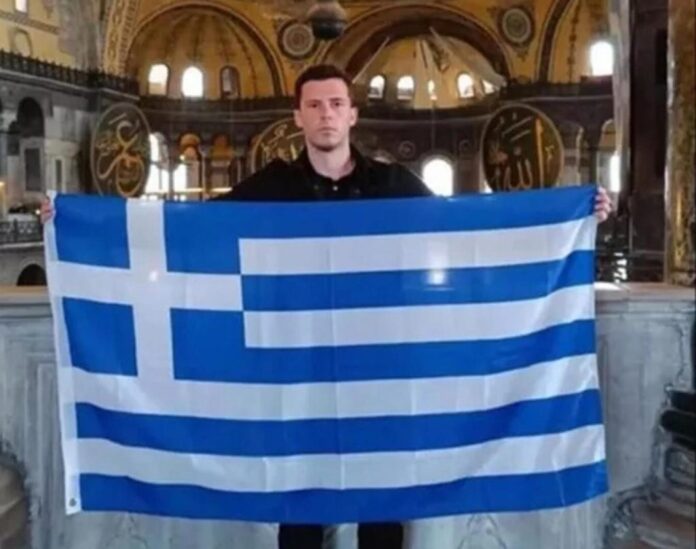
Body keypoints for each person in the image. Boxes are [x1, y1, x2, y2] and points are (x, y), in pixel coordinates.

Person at [40, 64, 613, 549]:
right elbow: (190, 232)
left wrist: (576, 214)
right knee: (300, 495)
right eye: (314, 105)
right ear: (298, 116)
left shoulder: (392, 185)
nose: (326, 115)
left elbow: (464, 233)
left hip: (380, 365)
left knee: (384, 493)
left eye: (336, 104)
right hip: (296, 366)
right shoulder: (272, 187)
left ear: (353, 115)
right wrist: (76, 223)